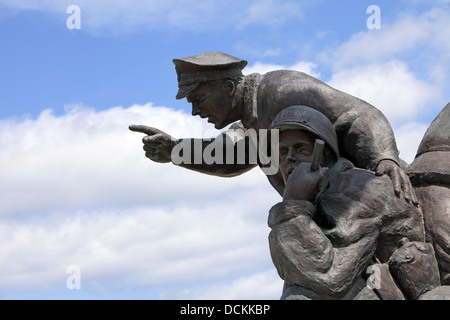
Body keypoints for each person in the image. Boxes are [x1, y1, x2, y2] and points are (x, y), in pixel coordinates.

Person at [129, 51, 417, 203]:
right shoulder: (250, 121)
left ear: (229, 87)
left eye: (199, 98)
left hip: (379, 195)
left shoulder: (281, 90)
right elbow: (231, 155)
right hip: (328, 214)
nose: (195, 111)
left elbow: (359, 115)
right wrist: (174, 150)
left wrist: (385, 157)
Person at [266, 105, 426, 300]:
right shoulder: (320, 193)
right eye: (282, 153)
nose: (289, 158)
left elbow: (330, 276)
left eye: (301, 149)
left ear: (323, 156)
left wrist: (292, 206)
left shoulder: (354, 190)